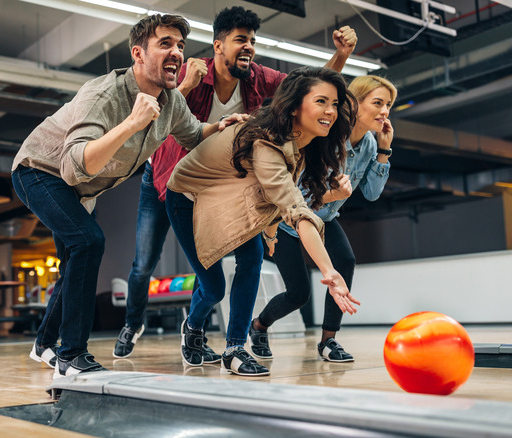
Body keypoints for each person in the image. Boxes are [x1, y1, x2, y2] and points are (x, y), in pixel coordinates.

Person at [113, 5, 358, 360]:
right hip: (170, 180)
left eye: (253, 41)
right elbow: (154, 118)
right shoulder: (193, 77)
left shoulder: (259, 80)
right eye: (240, 40)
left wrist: (341, 56)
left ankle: (234, 346)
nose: (249, 47)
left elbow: (310, 90)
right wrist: (182, 86)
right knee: (147, 264)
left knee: (252, 258)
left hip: (226, 186)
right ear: (217, 45)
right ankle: (133, 323)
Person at [16, 14, 245, 377]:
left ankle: (44, 344)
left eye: (180, 46)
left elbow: (192, 133)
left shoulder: (170, 101)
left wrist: (220, 126)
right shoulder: (103, 93)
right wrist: (132, 124)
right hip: (39, 170)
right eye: (165, 44)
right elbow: (74, 165)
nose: (176, 53)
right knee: (88, 242)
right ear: (138, 53)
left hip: (76, 190)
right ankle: (71, 355)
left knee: (75, 257)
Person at [166, 67, 361, 376]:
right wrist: (329, 271)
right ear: (296, 106)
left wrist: (269, 234)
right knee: (214, 287)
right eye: (321, 101)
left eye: (335, 104)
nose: (330, 111)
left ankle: (234, 349)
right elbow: (293, 206)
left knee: (252, 258)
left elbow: (274, 198)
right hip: (188, 197)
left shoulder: (301, 145)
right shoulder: (267, 142)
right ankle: (193, 327)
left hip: (231, 197)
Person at [248, 75, 396, 363]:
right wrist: (331, 194)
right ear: (354, 105)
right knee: (298, 294)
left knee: (346, 262)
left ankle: (329, 341)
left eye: (388, 105)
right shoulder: (324, 137)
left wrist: (383, 151)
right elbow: (295, 198)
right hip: (290, 223)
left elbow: (371, 194)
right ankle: (259, 326)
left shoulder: (368, 144)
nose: (384, 112)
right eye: (377, 103)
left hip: (326, 219)